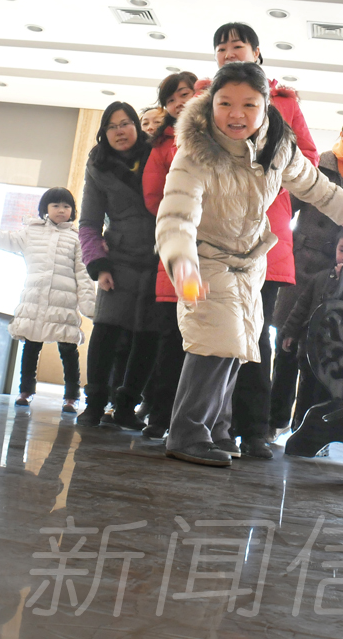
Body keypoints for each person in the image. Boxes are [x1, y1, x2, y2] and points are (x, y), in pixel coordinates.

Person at [156, 61, 343, 466]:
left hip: (251, 260)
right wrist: (182, 263)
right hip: (206, 257)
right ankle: (186, 433)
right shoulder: (195, 152)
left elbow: (312, 182)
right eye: (225, 103)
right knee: (213, 343)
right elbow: (175, 216)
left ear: (265, 105)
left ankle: (217, 430)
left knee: (236, 347)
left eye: (249, 104)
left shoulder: (278, 144)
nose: (236, 114)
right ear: (211, 103)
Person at [193, 22, 320, 459]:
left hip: (264, 235)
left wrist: (267, 187)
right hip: (212, 233)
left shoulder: (283, 102)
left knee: (253, 333)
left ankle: (254, 430)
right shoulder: (203, 100)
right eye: (222, 48)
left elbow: (308, 159)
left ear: (257, 53)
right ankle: (209, 428)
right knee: (210, 332)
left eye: (237, 46)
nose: (229, 53)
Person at [270, 110, 343, 434]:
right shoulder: (318, 163)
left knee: (322, 350)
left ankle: (308, 426)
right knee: (287, 342)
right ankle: (275, 420)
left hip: (338, 271)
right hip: (301, 261)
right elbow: (287, 207)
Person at [0, 188, 95, 413]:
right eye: (56, 205)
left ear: (73, 211)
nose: (61, 210)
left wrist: (90, 306)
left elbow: (83, 274)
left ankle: (71, 396)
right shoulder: (31, 232)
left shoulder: (76, 238)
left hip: (63, 304)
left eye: (66, 206)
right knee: (31, 347)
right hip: (34, 302)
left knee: (68, 350)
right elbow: (5, 239)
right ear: (45, 208)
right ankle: (25, 392)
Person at [78, 102, 160, 427]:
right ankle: (95, 404)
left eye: (125, 123)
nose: (120, 131)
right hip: (119, 259)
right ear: (104, 132)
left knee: (148, 335)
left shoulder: (157, 155)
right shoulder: (98, 165)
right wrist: (99, 265)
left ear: (136, 127)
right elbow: (89, 222)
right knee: (106, 330)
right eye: (112, 126)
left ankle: (127, 406)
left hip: (159, 257)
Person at [139, 71, 197, 439]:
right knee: (172, 340)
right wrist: (181, 218)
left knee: (209, 343)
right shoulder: (162, 147)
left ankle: (199, 421)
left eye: (184, 94)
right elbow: (153, 197)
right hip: (177, 251)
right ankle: (161, 416)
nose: (178, 103)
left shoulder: (218, 134)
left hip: (217, 253)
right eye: (171, 99)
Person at [276, 229, 343, 425]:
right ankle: (299, 428)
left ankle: (323, 431)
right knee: (306, 390)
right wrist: (290, 332)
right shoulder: (320, 278)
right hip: (311, 348)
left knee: (329, 396)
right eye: (342, 250)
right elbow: (301, 307)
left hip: (340, 355)